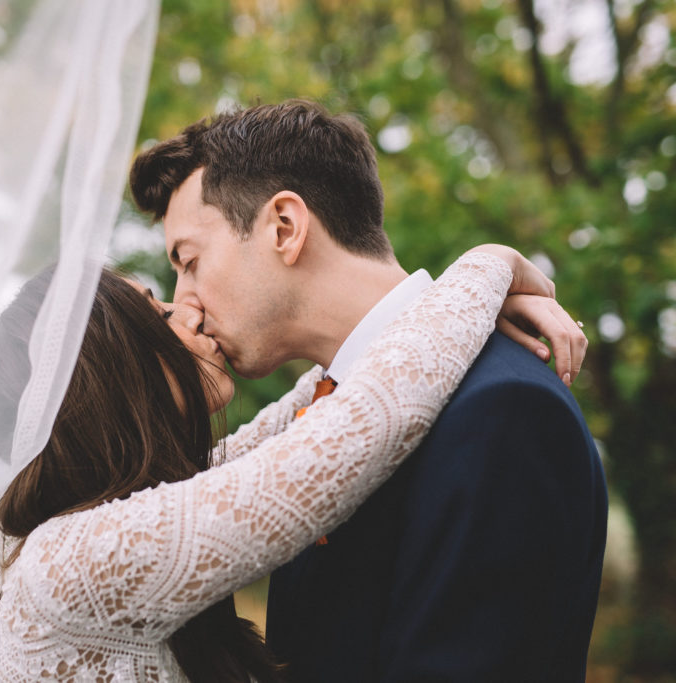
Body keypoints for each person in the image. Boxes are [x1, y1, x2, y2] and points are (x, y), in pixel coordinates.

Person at [129, 99, 607, 682]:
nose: (185, 302)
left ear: (285, 227)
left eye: (189, 261)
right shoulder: (321, 410)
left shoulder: (501, 407)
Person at [0, 242, 571, 682]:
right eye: (156, 316)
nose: (189, 313)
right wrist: (491, 264)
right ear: (108, 377)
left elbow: (314, 401)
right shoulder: (70, 562)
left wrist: (456, 300)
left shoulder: (132, 506)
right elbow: (356, 431)